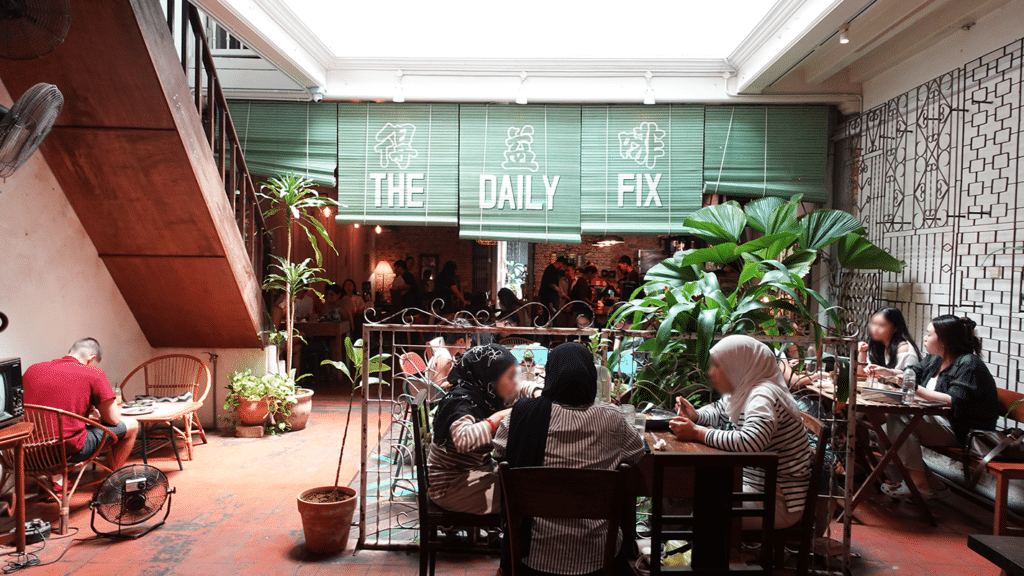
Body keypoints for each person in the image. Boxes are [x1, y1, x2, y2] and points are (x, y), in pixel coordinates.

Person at [494, 343, 644, 576]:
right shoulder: (613, 419)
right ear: (591, 377)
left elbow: (501, 452)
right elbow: (637, 454)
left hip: (533, 554)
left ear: (551, 375)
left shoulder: (520, 416)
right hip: (598, 555)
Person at [670, 335, 812, 529]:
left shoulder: (763, 395)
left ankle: (706, 558)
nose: (711, 373)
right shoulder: (745, 389)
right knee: (687, 489)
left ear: (738, 365)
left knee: (703, 506)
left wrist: (698, 433)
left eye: (718, 366)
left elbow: (751, 441)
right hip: (755, 486)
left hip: (777, 500)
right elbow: (719, 410)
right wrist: (696, 416)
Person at [882, 315, 999, 499]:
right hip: (940, 421)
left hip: (964, 430)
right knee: (883, 429)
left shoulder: (968, 363)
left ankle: (919, 486)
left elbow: (953, 400)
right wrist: (889, 372)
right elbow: (915, 372)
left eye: (929, 334)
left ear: (944, 339)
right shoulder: (935, 359)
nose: (925, 337)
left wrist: (914, 387)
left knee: (899, 421)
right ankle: (932, 485)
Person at [428, 344, 541, 514]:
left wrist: (537, 392)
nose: (515, 383)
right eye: (510, 377)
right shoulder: (460, 403)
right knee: (525, 496)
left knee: (524, 482)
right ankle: (514, 539)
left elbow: (522, 387)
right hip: (452, 486)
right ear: (490, 377)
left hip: (477, 472)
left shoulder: (483, 394)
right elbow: (463, 440)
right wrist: (501, 417)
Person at [22, 338, 140, 476]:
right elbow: (113, 420)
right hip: (64, 452)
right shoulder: (94, 373)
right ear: (92, 358)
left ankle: (56, 482)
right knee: (132, 425)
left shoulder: (32, 369)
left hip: (25, 452)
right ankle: (108, 482)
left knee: (54, 432)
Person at [858, 307, 922, 380]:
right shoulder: (879, 345)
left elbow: (910, 382)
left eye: (882, 325)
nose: (875, 329)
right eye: (873, 323)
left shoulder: (904, 350)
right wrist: (862, 352)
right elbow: (861, 376)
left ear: (895, 328)